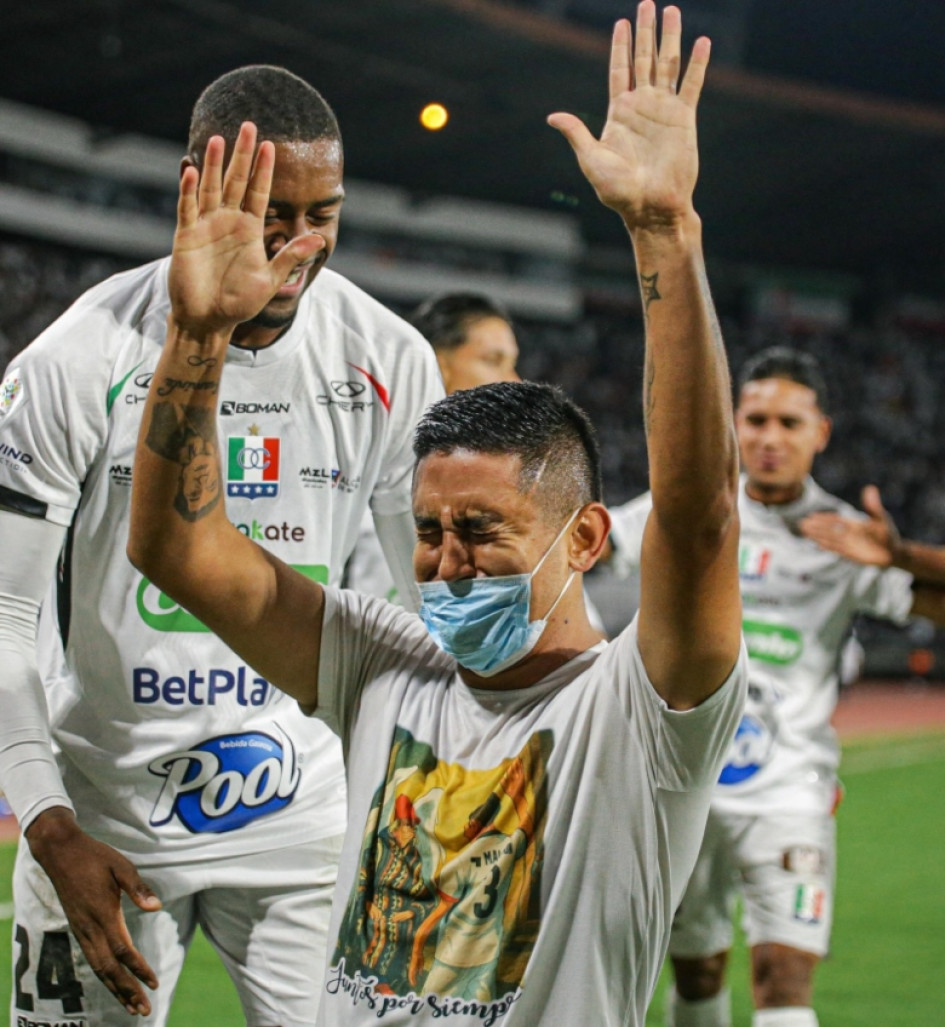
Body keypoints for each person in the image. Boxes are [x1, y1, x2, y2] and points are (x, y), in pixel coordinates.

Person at [126, 5, 748, 1024]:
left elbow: (698, 515)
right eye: (429, 532)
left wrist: (662, 232)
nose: (450, 565)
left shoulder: (642, 712)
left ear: (584, 536)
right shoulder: (383, 663)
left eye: (484, 531)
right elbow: (176, 545)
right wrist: (199, 335)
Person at [0, 65, 443, 1024]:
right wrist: (46, 822)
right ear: (192, 188)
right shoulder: (77, 360)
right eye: (265, 214)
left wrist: (418, 790)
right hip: (108, 823)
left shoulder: (390, 357)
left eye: (322, 214)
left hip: (306, 821)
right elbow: (5, 615)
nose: (296, 247)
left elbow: (426, 608)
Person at [608, 345, 945, 1027]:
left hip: (790, 787)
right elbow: (584, 542)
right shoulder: (686, 508)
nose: (768, 438)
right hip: (683, 781)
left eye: (788, 423)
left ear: (820, 433)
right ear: (733, 424)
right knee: (697, 969)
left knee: (782, 974)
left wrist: (902, 555)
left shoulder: (844, 537)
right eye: (755, 419)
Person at [343, 293, 520, 603]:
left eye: (513, 364)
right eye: (494, 361)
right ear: (434, 365)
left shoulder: (504, 495)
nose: (514, 382)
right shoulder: (361, 475)